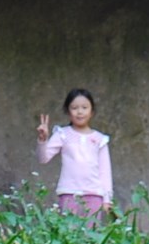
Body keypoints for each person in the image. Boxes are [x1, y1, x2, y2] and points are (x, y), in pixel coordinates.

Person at [35, 87, 112, 219]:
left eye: (84, 107)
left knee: (91, 236)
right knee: (68, 235)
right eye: (75, 108)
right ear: (68, 111)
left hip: (94, 195)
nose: (80, 112)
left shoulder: (100, 139)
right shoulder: (62, 134)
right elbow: (43, 158)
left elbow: (105, 171)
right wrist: (43, 140)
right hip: (68, 193)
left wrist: (107, 199)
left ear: (92, 111)